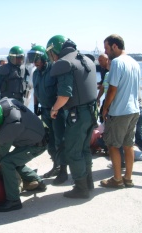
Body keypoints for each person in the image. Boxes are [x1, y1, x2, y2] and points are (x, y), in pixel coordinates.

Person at [46, 35, 97, 198]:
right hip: (91, 111)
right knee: (84, 149)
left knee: (73, 151)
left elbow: (64, 95)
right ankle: (88, 182)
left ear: (54, 50)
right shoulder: (85, 59)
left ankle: (81, 188)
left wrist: (54, 109)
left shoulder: (64, 63)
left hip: (78, 114)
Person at [0, 97, 48, 212]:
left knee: (7, 162)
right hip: (35, 136)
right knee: (14, 160)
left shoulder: (12, 125)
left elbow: (1, 153)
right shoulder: (4, 104)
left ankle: (14, 201)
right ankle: (38, 182)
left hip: (37, 145)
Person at [100, 34, 140, 189]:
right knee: (128, 145)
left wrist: (105, 108)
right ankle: (128, 178)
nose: (106, 51)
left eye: (106, 48)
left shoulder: (117, 62)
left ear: (114, 46)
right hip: (134, 110)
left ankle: (117, 179)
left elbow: (112, 88)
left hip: (119, 111)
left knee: (113, 145)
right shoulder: (134, 63)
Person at [26, 45, 67, 185]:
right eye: (32, 60)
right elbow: (36, 91)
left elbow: (61, 91)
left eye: (36, 59)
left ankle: (63, 171)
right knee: (50, 141)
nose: (34, 62)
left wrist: (57, 108)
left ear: (43, 57)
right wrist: (36, 106)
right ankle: (56, 166)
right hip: (44, 111)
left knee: (60, 141)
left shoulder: (54, 70)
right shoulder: (36, 73)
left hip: (57, 111)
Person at [96, 54, 109, 123]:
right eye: (99, 61)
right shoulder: (102, 69)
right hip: (106, 96)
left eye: (101, 60)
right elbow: (102, 82)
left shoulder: (109, 71)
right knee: (101, 114)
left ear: (107, 60)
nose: (99, 62)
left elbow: (103, 86)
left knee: (103, 113)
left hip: (110, 97)